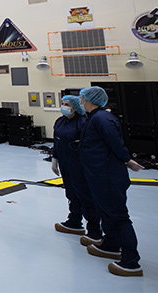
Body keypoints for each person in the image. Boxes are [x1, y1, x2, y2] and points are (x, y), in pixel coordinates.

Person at [78, 86, 144, 277]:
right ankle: (111, 244)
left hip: (107, 175)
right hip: (98, 175)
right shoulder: (95, 117)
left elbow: (115, 142)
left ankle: (131, 262)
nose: (80, 100)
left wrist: (127, 159)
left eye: (82, 98)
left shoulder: (102, 119)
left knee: (118, 216)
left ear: (89, 99)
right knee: (105, 211)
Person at [51, 95, 101, 244]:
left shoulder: (82, 123)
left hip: (79, 164)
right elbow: (57, 141)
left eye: (67, 104)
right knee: (71, 192)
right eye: (63, 104)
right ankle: (74, 221)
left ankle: (94, 230)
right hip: (65, 163)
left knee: (85, 195)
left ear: (75, 107)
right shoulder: (60, 122)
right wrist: (55, 159)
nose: (64, 106)